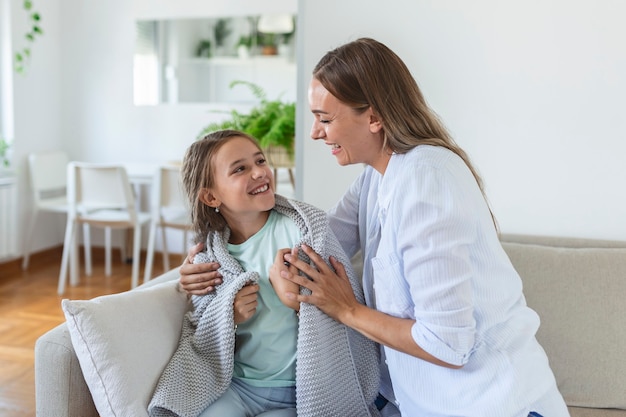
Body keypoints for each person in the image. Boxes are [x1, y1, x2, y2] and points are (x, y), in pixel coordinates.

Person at [178, 39, 570, 417]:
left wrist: (346, 309)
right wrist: (207, 267)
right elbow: (318, 241)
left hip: (492, 404)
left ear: (374, 117)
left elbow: (448, 343)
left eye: (325, 119)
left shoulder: (426, 183)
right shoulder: (377, 179)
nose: (316, 133)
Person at [148, 130, 380, 417]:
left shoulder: (301, 230)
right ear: (210, 196)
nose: (259, 172)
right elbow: (201, 324)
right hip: (238, 387)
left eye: (260, 161)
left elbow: (338, 305)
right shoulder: (210, 256)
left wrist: (295, 300)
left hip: (297, 392)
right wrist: (228, 315)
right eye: (240, 169)